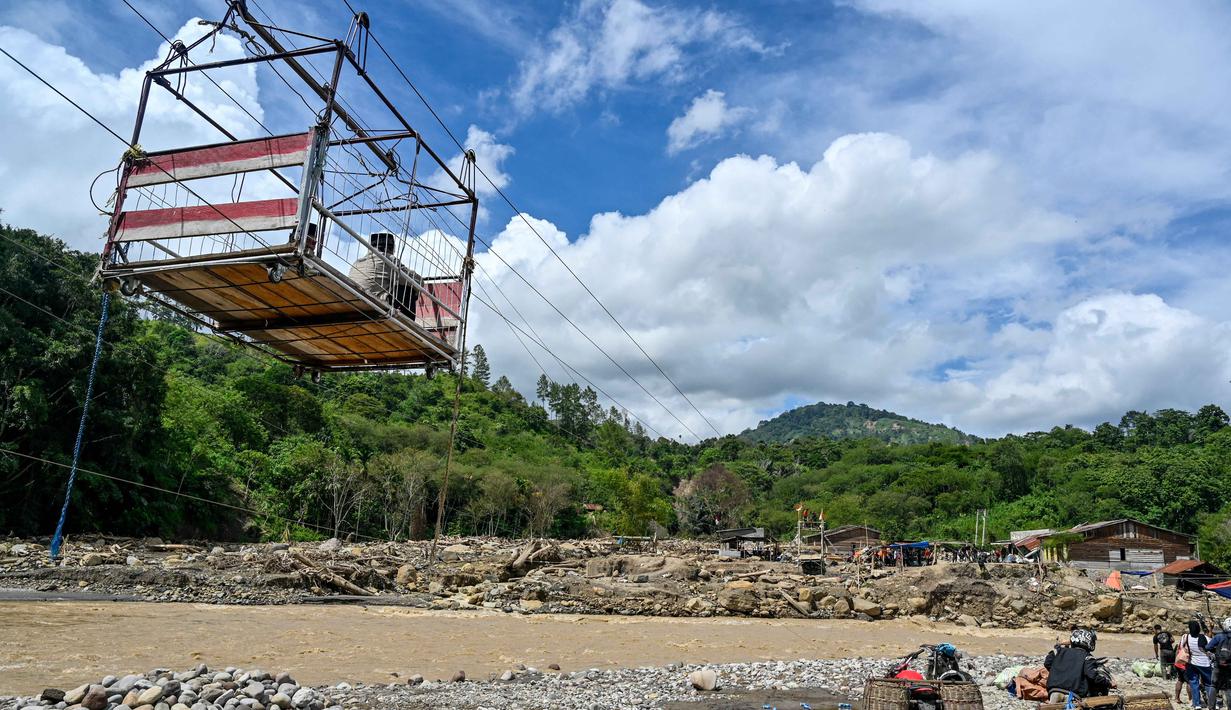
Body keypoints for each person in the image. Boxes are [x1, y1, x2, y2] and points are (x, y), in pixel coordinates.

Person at [348, 232, 420, 317]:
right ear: (391, 248)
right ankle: (409, 325)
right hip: (372, 303)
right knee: (407, 290)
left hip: (350, 300)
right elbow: (415, 281)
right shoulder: (388, 258)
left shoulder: (357, 262)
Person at [1045, 628, 1111, 703]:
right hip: (1073, 694)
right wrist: (1108, 683)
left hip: (1054, 691)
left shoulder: (1059, 651)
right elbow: (1092, 675)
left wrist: (1058, 671)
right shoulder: (1087, 657)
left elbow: (1047, 663)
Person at [1201, 617, 1231, 710]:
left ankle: (1211, 707)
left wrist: (1214, 652)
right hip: (1230, 666)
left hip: (1218, 665)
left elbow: (1207, 647)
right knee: (1229, 687)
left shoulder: (1219, 636)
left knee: (1213, 686)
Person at [1183, 619, 1213, 708]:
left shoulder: (1186, 637)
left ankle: (1197, 704)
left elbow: (1182, 647)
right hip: (1205, 664)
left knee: (1194, 683)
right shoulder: (1205, 638)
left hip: (1192, 663)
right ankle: (1212, 703)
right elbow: (1212, 646)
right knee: (1209, 684)